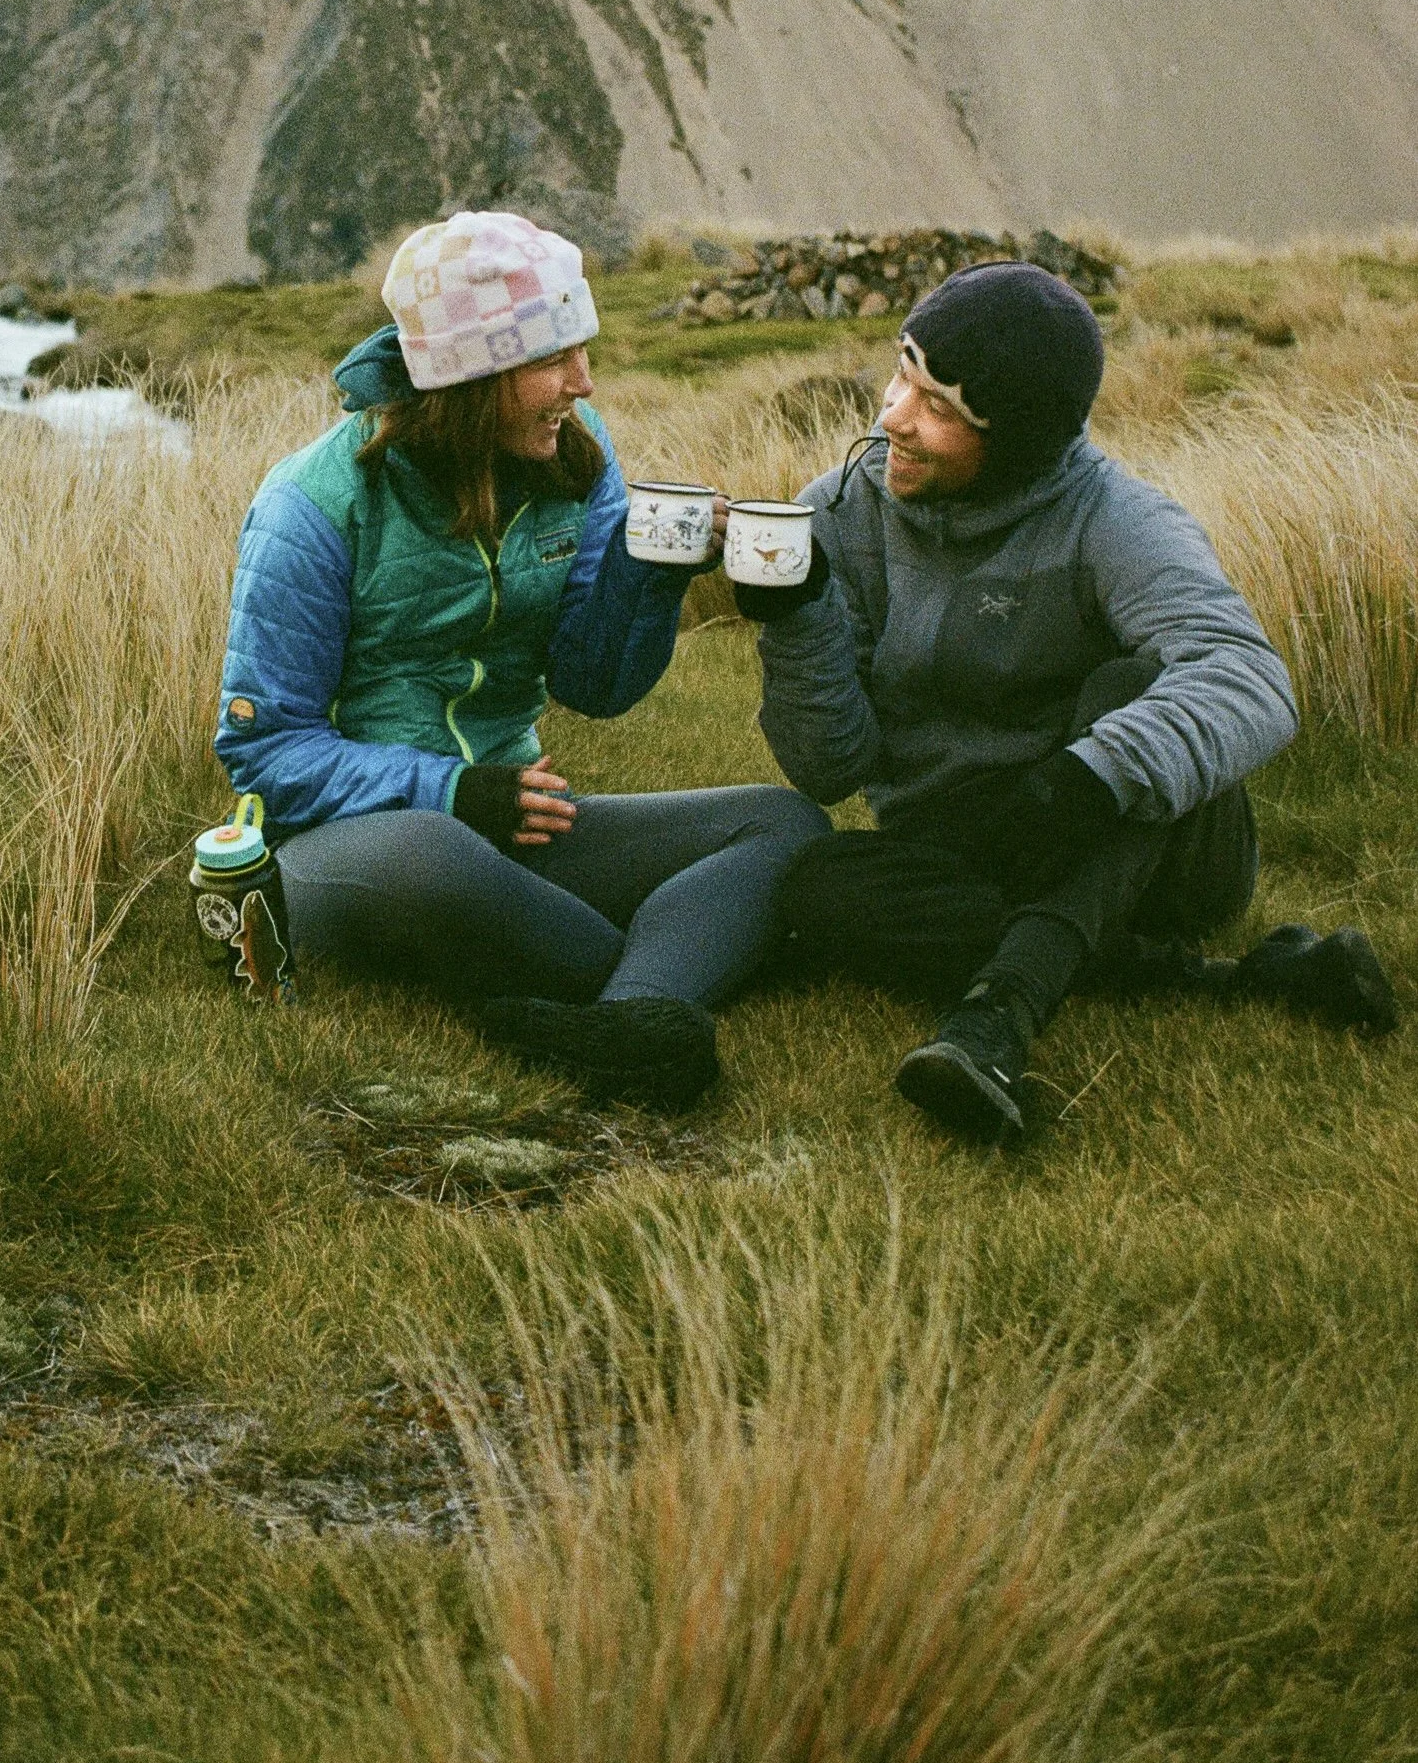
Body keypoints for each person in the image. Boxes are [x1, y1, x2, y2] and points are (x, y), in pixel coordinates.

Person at [755, 260, 1398, 1144]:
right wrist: (795, 621)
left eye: (939, 407)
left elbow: (1247, 676)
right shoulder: (836, 513)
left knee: (1128, 691)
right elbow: (829, 768)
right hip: (971, 845)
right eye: (903, 375)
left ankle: (996, 1019)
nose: (895, 418)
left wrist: (1087, 778)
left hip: (1137, 846)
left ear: (1015, 439)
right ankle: (1240, 978)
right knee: (818, 889)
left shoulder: (1115, 519)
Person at [214, 211, 826, 1107]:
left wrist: (652, 575)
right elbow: (266, 755)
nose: (583, 383)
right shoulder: (310, 505)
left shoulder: (575, 456)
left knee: (784, 823)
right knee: (432, 852)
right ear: (470, 374)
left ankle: (626, 1016)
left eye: (582, 350)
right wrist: (453, 793)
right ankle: (663, 966)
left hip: (519, 823)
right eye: (553, 359)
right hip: (360, 848)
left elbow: (594, 685)